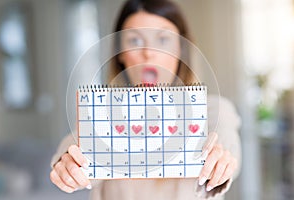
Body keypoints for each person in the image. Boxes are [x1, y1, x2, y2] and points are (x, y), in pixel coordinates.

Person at [50, 0, 241, 199]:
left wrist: (221, 161)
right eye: (135, 40)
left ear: (181, 50)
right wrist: (69, 165)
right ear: (120, 53)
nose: (148, 53)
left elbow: (226, 144)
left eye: (163, 39)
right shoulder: (102, 113)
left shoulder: (214, 109)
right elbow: (76, 147)